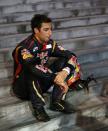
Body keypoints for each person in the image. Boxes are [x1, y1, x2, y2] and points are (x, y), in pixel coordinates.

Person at [12, 14, 81, 122]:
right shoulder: (24, 48)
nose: (50, 33)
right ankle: (38, 108)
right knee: (31, 69)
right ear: (36, 30)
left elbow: (72, 55)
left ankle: (57, 102)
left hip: (41, 81)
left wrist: (64, 72)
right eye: (46, 29)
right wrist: (54, 77)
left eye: (50, 29)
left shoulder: (50, 44)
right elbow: (32, 67)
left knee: (65, 61)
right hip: (22, 88)